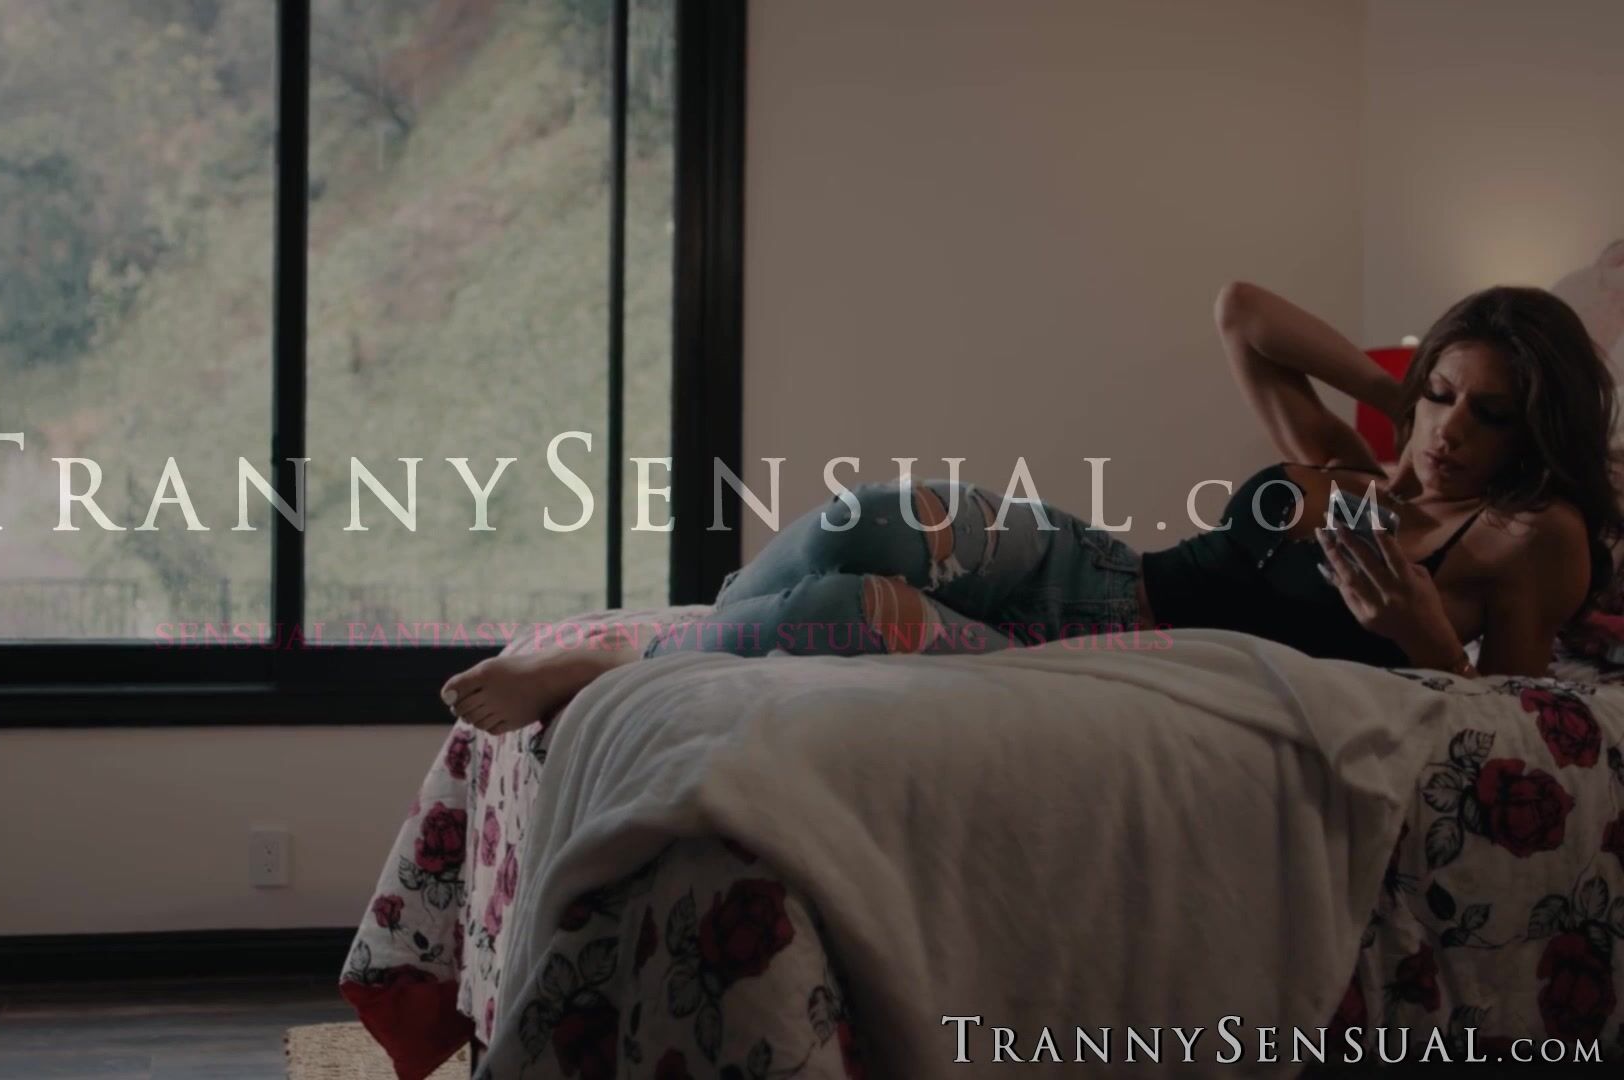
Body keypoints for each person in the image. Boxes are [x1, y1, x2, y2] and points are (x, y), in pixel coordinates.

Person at [442, 282, 1622, 735]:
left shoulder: (1533, 540)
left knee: (850, 606)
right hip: (1091, 566)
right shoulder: (1357, 464)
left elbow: (1523, 731)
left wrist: (1423, 638)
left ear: (1539, 428)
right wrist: (1401, 395)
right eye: (1444, 397)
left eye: (1489, 416)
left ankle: (615, 665)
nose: (1450, 434)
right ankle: (693, 634)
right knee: (868, 520)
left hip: (1103, 659)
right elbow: (1241, 312)